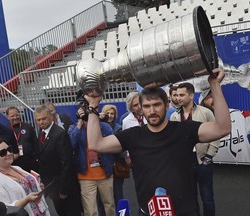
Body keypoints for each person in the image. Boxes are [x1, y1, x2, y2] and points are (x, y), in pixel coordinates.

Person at [84, 68, 231, 216]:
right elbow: (96, 144)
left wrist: (215, 86)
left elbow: (222, 128)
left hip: (185, 211)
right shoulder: (133, 135)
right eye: (147, 106)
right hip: (148, 212)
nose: (152, 110)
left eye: (157, 104)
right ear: (141, 109)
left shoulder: (185, 130)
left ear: (166, 105)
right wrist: (93, 106)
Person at [170, 82, 220, 216]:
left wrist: (209, 156)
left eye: (182, 95)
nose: (178, 98)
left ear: (191, 95)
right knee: (191, 199)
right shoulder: (174, 116)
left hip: (203, 161)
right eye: (177, 95)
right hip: (185, 164)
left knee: (207, 198)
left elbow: (216, 134)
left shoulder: (206, 112)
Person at [34, 105, 82, 216]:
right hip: (52, 186)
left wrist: (63, 189)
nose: (41, 122)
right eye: (38, 120)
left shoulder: (60, 133)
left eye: (44, 118)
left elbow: (66, 163)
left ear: (51, 117)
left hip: (63, 187)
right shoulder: (42, 133)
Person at [68, 105, 115, 216]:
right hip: (86, 176)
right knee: (90, 211)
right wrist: (79, 124)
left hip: (105, 173)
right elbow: (71, 146)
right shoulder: (74, 128)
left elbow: (112, 146)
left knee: (110, 207)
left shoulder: (105, 127)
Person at [0, 138, 50, 216]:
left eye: (9, 149)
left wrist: (37, 186)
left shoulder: (17, 168)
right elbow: (2, 210)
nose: (8, 153)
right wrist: (26, 200)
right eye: (3, 152)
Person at [199, 88, 250, 164]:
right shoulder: (199, 123)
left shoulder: (238, 114)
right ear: (202, 104)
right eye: (209, 97)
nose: (214, 99)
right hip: (217, 172)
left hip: (245, 170)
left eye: (216, 95)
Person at [101, 104, 129, 210]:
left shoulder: (118, 128)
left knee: (118, 195)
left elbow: (120, 148)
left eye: (112, 113)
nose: (110, 115)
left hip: (116, 167)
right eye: (107, 113)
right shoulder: (99, 127)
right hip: (102, 167)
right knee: (104, 198)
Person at [6, 106, 39, 172]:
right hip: (16, 165)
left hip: (31, 163)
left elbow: (36, 143)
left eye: (17, 115)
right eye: (12, 116)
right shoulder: (6, 131)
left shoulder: (28, 127)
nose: (15, 118)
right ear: (8, 117)